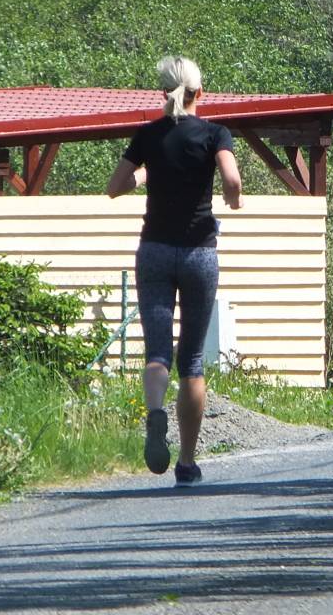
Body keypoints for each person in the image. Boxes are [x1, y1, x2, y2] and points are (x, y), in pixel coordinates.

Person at [107, 56, 243, 486]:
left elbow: (114, 187)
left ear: (161, 93)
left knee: (158, 352)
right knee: (193, 360)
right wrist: (234, 199)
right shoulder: (215, 133)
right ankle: (186, 462)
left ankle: (155, 413)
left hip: (155, 252)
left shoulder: (147, 135)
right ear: (201, 93)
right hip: (199, 252)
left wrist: (146, 175)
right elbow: (232, 179)